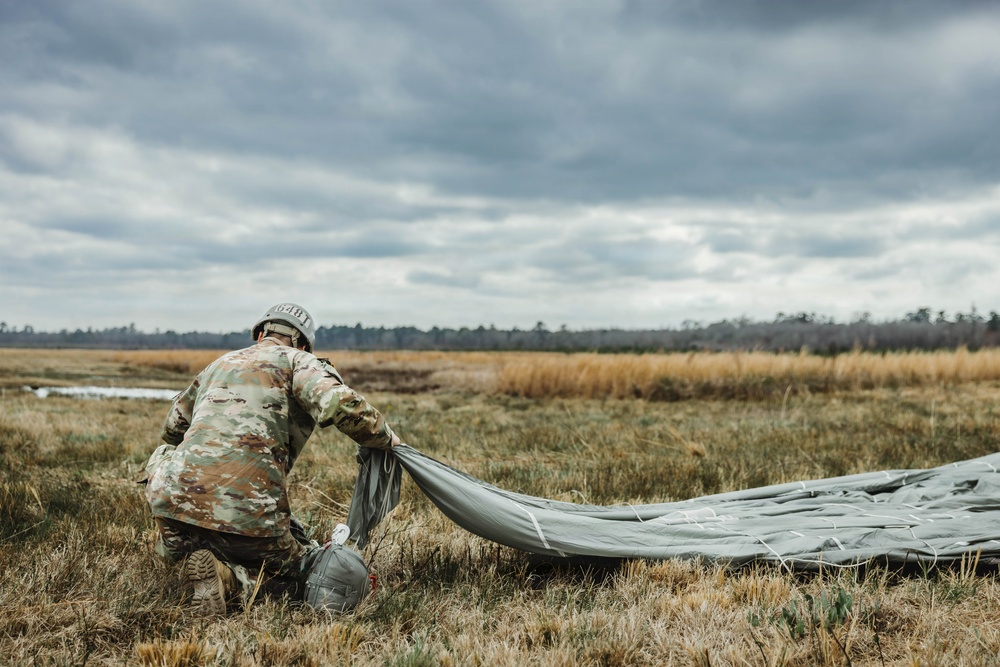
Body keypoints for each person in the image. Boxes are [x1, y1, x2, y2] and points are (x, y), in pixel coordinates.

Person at [140, 303, 400, 616]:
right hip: (247, 515)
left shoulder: (219, 363)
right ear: (302, 343)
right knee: (298, 575)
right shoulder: (298, 361)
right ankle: (234, 581)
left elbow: (173, 428)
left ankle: (181, 553)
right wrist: (387, 439)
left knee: (201, 520)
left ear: (261, 333)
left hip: (171, 506)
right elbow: (338, 403)